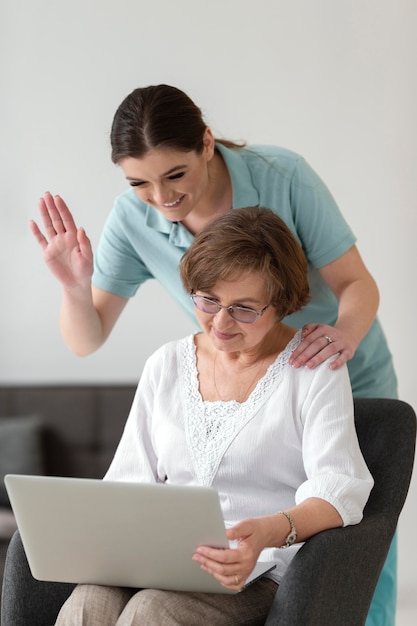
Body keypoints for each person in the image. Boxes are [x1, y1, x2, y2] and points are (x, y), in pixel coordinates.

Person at [30, 84, 397, 625]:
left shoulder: (283, 177)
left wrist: (340, 338)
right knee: (91, 603)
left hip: (333, 356)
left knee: (358, 550)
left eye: (174, 175)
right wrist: (73, 286)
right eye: (139, 183)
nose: (161, 197)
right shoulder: (168, 353)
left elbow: (355, 283)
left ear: (206, 144)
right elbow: (88, 338)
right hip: (232, 370)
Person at [54, 207, 374, 625]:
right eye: (208, 300)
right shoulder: (166, 364)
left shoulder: (312, 369)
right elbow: (127, 483)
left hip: (257, 572)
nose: (220, 323)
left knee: (151, 612)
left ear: (280, 304)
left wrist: (267, 532)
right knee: (87, 602)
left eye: (244, 308)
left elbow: (340, 490)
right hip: (160, 559)